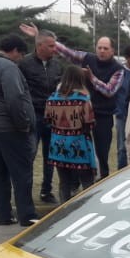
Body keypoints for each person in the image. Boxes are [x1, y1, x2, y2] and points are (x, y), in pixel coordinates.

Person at [19, 23, 123, 179]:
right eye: (99, 47)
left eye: (105, 48)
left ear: (113, 51)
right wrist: (38, 35)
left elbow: (109, 91)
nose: (101, 51)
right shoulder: (88, 58)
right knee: (78, 151)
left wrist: (91, 78)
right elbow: (68, 53)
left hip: (103, 117)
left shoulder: (118, 68)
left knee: (101, 153)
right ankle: (75, 185)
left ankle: (102, 182)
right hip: (81, 115)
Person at [0, 34, 38, 226]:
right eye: (21, 55)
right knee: (21, 172)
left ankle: (3, 214)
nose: (20, 60)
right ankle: (26, 215)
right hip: (8, 126)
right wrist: (23, 123)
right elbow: (14, 98)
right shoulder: (8, 67)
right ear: (15, 51)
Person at [17, 28, 65, 204]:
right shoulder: (24, 64)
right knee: (29, 153)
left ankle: (46, 191)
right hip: (33, 115)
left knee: (50, 156)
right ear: (40, 46)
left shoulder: (57, 65)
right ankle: (24, 192)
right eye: (51, 46)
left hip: (52, 117)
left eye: (55, 45)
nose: (55, 49)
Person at [45, 66, 97, 202]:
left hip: (57, 146)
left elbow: (47, 120)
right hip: (79, 145)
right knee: (87, 182)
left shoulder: (52, 98)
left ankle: (64, 212)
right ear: (81, 79)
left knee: (64, 182)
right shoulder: (83, 99)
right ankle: (88, 211)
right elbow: (89, 123)